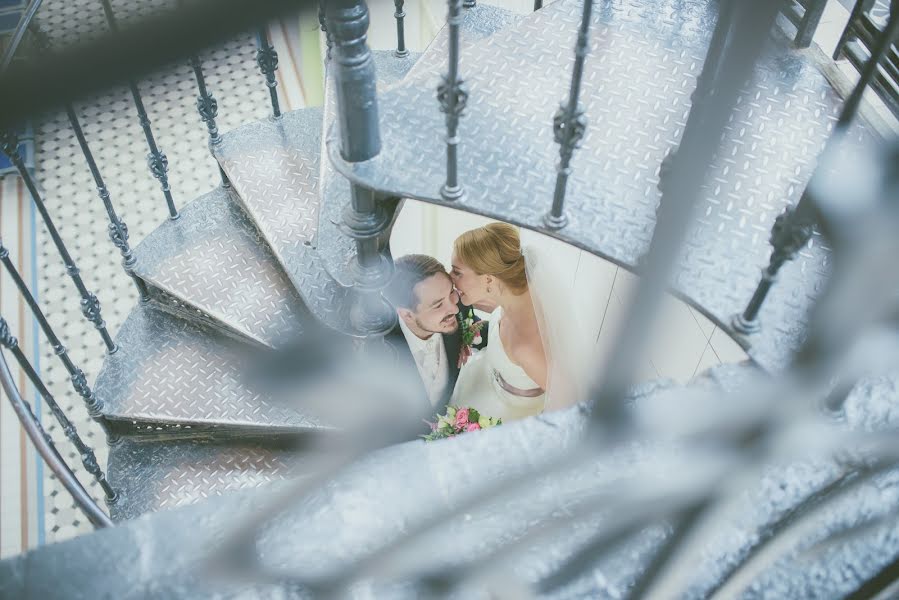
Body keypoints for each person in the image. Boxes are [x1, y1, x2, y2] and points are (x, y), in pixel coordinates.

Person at [450, 223, 587, 421]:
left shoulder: (528, 348)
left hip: (510, 414)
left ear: (489, 280)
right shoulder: (516, 294)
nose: (450, 277)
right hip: (487, 382)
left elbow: (570, 402)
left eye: (457, 272)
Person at [383, 254, 488, 418]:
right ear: (407, 315)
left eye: (451, 292)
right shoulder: (381, 347)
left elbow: (486, 333)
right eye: (438, 305)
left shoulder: (460, 308)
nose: (454, 309)